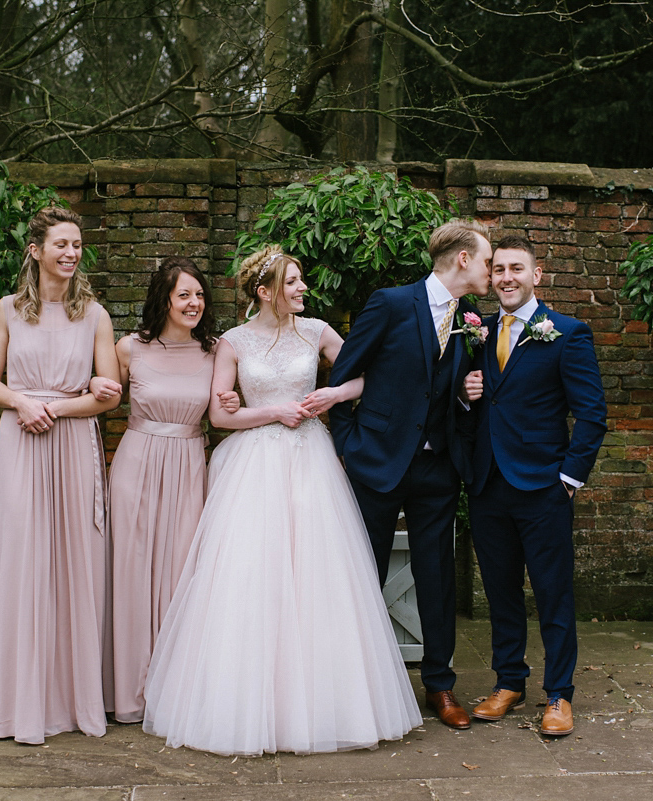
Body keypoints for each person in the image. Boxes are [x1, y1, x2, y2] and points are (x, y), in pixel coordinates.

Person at [142, 245, 421, 756]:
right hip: (254, 465)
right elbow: (220, 416)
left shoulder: (317, 332)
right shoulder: (232, 342)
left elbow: (367, 375)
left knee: (317, 578)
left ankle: (321, 704)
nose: (301, 289)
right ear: (264, 291)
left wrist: (333, 396)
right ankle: (249, 706)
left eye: (301, 280)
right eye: (291, 282)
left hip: (311, 461)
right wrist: (274, 413)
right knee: (252, 579)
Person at [328, 219, 490, 730]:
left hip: (436, 468)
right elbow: (344, 376)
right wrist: (348, 447)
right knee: (362, 573)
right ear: (463, 259)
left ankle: (440, 686)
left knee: (437, 577)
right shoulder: (392, 303)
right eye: (487, 260)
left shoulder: (472, 318)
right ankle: (350, 683)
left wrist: (466, 398)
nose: (491, 270)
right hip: (375, 463)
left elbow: (451, 392)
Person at [0, 206, 122, 744]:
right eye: (61, 244)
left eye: (78, 245)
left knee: (75, 564)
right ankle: (22, 709)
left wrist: (56, 408)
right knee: (22, 564)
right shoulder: (9, 310)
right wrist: (21, 401)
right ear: (35, 250)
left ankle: (76, 704)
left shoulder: (96, 316)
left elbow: (107, 395)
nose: (71, 253)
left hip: (70, 440)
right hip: (20, 442)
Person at [87, 257, 238, 725]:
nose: (194, 303)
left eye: (199, 295)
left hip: (189, 464)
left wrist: (232, 399)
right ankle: (129, 695)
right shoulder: (130, 347)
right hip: (137, 462)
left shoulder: (215, 351)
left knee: (181, 575)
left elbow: (225, 405)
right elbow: (104, 397)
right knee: (131, 573)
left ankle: (175, 691)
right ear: (164, 300)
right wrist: (95, 380)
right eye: (184, 295)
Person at [466, 235, 606, 736]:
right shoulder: (475, 334)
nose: (506, 277)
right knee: (501, 593)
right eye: (498, 269)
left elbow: (592, 415)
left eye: (516, 268)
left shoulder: (567, 333)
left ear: (536, 274)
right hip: (487, 486)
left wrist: (568, 480)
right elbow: (477, 404)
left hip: (544, 488)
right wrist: (466, 395)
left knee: (552, 594)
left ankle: (559, 694)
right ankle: (509, 682)